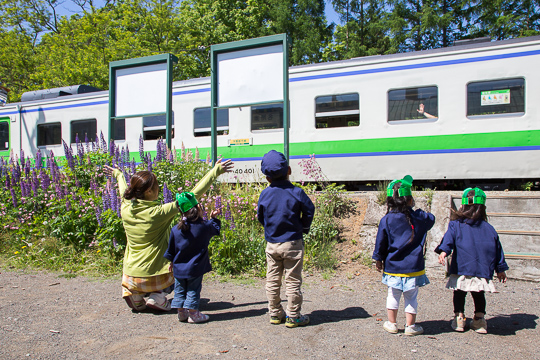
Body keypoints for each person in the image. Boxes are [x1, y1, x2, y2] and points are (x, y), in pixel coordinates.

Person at [103, 158, 233, 312]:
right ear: (149, 191)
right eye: (157, 186)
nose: (159, 188)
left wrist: (118, 175)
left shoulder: (125, 207)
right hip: (154, 276)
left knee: (137, 281)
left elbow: (123, 188)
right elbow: (192, 196)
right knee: (177, 268)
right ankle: (157, 296)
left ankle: (136, 296)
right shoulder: (157, 213)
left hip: (130, 276)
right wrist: (215, 172)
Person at [436, 188, 508, 334]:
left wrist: (444, 252)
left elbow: (448, 240)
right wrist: (500, 269)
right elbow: (497, 250)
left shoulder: (456, 225)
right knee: (478, 293)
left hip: (462, 266)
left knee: (459, 292)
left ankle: (459, 319)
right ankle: (479, 320)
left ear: (462, 206)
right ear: (483, 208)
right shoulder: (489, 229)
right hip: (481, 269)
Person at [257, 150, 315, 328]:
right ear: (289, 170)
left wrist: (270, 229)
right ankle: (293, 316)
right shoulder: (296, 192)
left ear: (267, 178)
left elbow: (260, 216)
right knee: (293, 280)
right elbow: (309, 210)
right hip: (293, 244)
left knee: (273, 280)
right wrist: (303, 226)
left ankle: (275, 314)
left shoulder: (265, 194)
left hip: (272, 245)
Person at [372, 175, 435, 336]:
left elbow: (380, 242)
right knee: (411, 297)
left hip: (393, 266)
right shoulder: (419, 217)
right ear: (409, 199)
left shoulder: (386, 220)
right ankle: (410, 326)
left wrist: (378, 259)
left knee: (393, 295)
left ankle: (392, 324)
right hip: (414, 268)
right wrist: (416, 209)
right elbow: (431, 219)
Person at [163, 192, 220, 323]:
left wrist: (171, 262)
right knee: (193, 289)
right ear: (199, 209)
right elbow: (215, 229)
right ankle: (194, 314)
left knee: (180, 289)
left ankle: (181, 313)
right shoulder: (204, 227)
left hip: (179, 268)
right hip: (195, 267)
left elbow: (171, 249)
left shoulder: (175, 229)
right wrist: (214, 218)